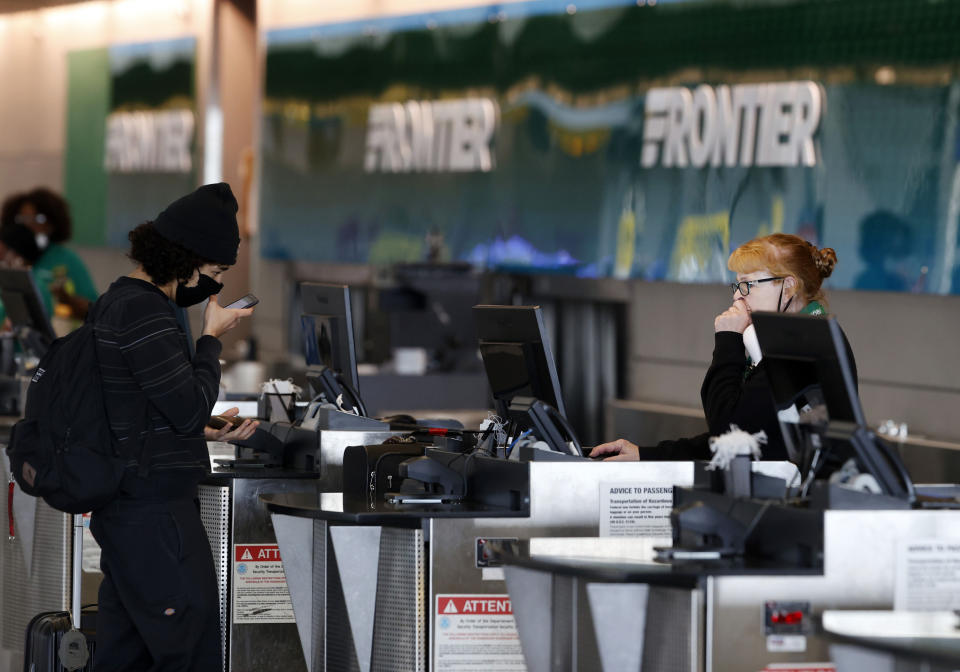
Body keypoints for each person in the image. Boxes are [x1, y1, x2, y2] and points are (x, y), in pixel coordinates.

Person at [88, 182, 258, 671]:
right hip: (155, 514)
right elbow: (185, 406)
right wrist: (210, 340)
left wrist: (201, 429)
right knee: (189, 645)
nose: (217, 286)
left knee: (125, 652)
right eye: (216, 271)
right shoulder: (148, 314)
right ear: (185, 258)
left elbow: (134, 406)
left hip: (127, 509)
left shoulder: (117, 302)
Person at [592, 233, 854, 462]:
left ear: (788, 286)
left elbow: (729, 431)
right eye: (737, 285)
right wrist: (646, 455)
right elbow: (745, 430)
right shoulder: (803, 336)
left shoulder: (803, 346)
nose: (737, 296)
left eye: (748, 284)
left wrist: (729, 340)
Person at [0, 187, 98, 320]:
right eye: (23, 219)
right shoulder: (11, 260)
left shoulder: (67, 260)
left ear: (52, 224)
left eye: (38, 219)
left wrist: (68, 299)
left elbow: (96, 311)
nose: (29, 225)